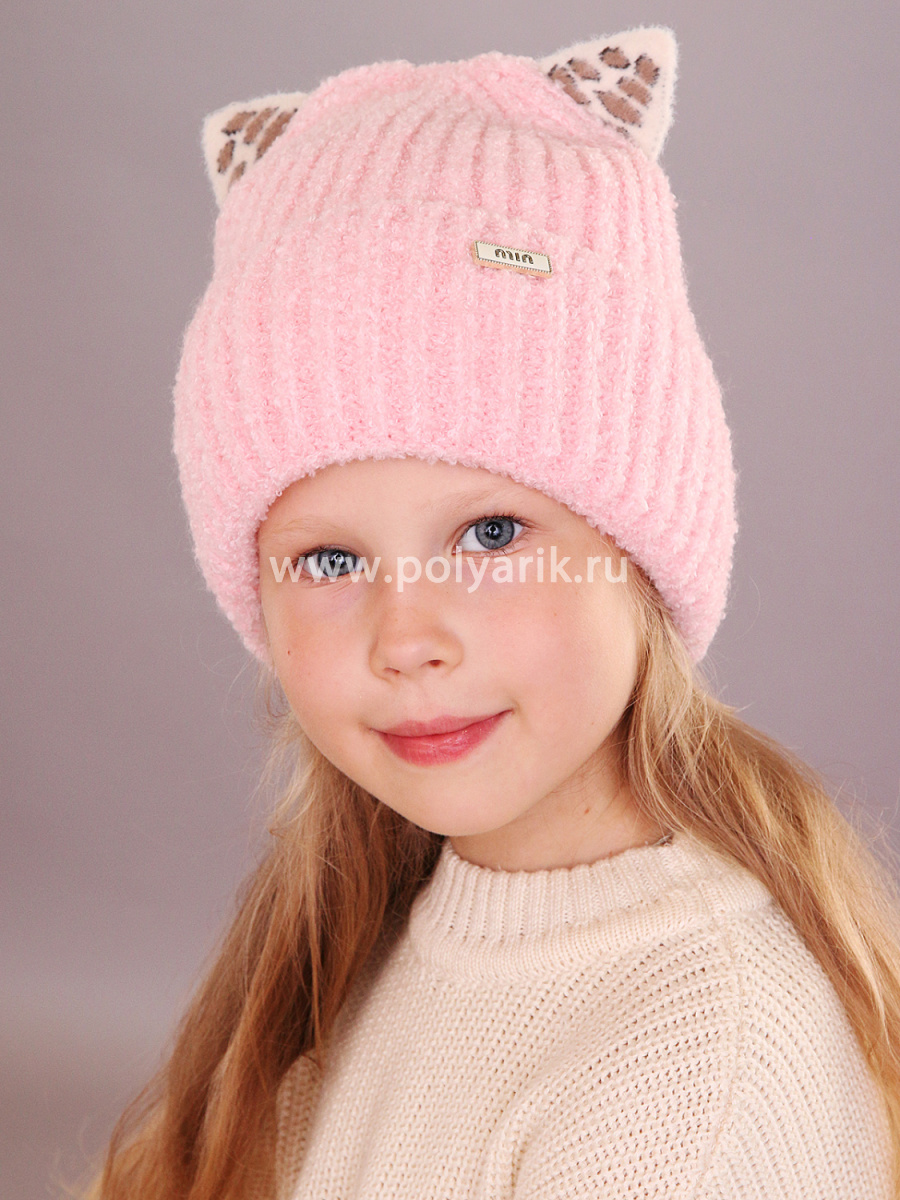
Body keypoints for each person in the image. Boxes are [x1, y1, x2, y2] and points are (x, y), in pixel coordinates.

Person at [86, 24, 900, 1200]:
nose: (406, 638)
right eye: (328, 559)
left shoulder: (689, 1083)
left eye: (491, 535)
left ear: (639, 554)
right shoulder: (357, 965)